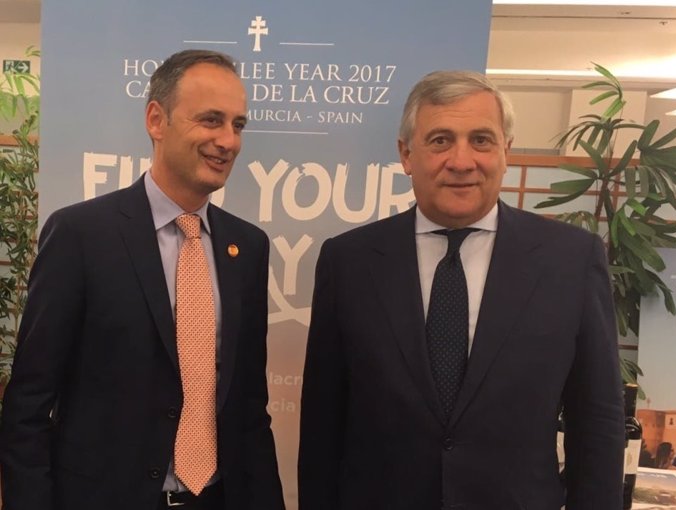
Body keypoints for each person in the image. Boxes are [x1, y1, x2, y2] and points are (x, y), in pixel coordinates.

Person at [298, 70, 625, 509]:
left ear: (506, 151)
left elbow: (597, 421)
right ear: (406, 154)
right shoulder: (348, 262)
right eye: (440, 140)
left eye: (482, 140)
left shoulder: (571, 260)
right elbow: (323, 423)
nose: (461, 160)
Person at [0, 50, 285, 510]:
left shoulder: (247, 247)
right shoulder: (80, 236)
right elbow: (29, 403)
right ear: (157, 119)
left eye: (238, 125)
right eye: (211, 120)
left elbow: (250, 406)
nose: (228, 141)